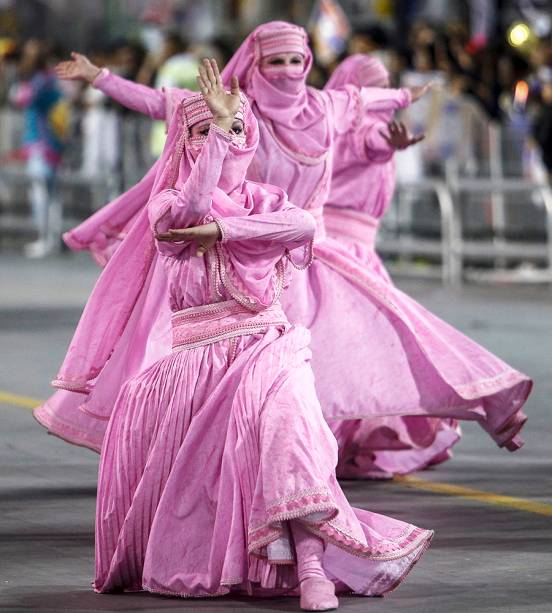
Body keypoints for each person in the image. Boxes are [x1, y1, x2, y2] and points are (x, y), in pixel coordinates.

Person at [38, 22, 531, 465]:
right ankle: (226, 456)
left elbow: (372, 102)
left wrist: (407, 98)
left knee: (385, 337)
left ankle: (313, 456)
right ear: (256, 62)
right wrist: (99, 76)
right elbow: (158, 103)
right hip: (240, 261)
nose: (289, 70)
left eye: (297, 60)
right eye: (277, 60)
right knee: (215, 367)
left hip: (307, 252)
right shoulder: (234, 108)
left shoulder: (325, 106)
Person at [47, 59, 433, 608]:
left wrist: (226, 229)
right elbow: (191, 209)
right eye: (200, 133)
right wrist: (209, 145)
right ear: (184, 145)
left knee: (293, 430)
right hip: (197, 360)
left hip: (268, 346)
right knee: (217, 480)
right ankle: (281, 559)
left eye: (231, 132)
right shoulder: (167, 206)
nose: (218, 142)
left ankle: (312, 566)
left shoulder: (265, 201)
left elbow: (302, 226)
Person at [323, 54, 461, 478]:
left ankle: (349, 441)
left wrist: (390, 143)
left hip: (362, 251)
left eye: (386, 82)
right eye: (372, 83)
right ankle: (327, 441)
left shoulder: (363, 125)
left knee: (365, 351)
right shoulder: (344, 126)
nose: (381, 91)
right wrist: (388, 143)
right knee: (343, 352)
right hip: (337, 255)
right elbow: (367, 140)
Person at [9, 39, 67, 258]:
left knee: (41, 191)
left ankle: (46, 239)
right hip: (50, 142)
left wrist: (20, 76)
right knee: (51, 193)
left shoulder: (40, 81)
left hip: (42, 142)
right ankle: (52, 238)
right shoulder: (50, 79)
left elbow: (21, 98)